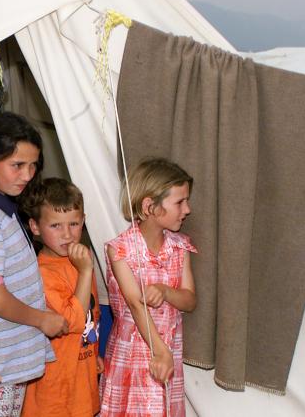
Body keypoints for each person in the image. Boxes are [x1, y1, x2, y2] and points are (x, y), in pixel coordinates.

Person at [0, 111, 69, 417]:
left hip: (5, 362)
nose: (28, 174)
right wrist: (41, 319)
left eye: (33, 165)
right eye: (17, 165)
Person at [100, 158, 197, 417]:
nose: (187, 209)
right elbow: (134, 303)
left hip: (168, 355)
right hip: (133, 355)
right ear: (149, 206)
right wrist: (161, 351)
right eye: (179, 202)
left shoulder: (180, 246)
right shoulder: (119, 248)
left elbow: (189, 301)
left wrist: (165, 291)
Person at [20, 177, 102, 417]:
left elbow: (92, 313)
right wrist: (86, 270)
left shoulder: (80, 258)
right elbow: (74, 322)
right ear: (35, 227)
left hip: (82, 382)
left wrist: (94, 353)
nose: (67, 235)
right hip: (52, 392)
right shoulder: (42, 272)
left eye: (74, 224)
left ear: (84, 221)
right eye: (56, 226)